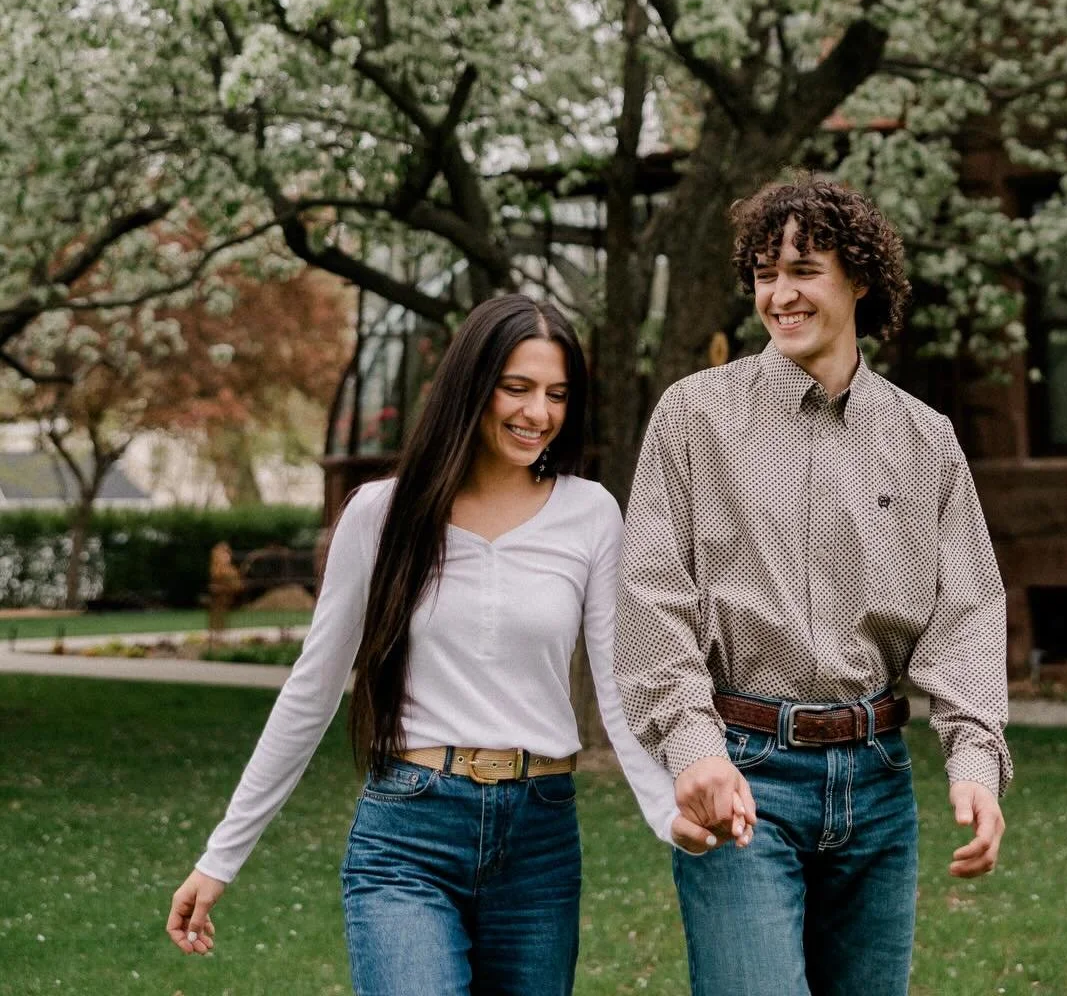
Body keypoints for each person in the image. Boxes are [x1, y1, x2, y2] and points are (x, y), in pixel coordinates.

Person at [166, 293, 730, 996]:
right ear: (473, 385)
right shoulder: (381, 514)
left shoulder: (590, 514)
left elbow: (618, 685)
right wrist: (220, 858)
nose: (538, 413)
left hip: (540, 842)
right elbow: (311, 691)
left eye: (557, 394)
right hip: (409, 834)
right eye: (517, 388)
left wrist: (662, 808)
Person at [615, 176, 1011, 996]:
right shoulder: (694, 418)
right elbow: (654, 597)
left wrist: (972, 757)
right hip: (743, 772)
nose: (780, 294)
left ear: (860, 279)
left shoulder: (924, 438)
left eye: (804, 270)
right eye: (765, 273)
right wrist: (693, 750)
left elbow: (965, 612)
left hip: (877, 784)